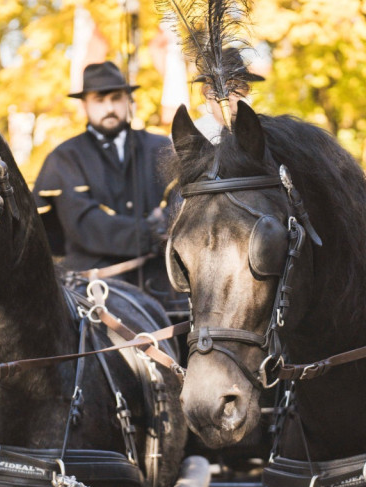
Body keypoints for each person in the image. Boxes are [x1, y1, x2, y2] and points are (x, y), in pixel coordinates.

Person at [32, 61, 176, 299]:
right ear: (85, 105)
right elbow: (84, 224)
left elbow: (184, 204)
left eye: (116, 98)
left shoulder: (161, 148)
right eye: (99, 100)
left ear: (129, 101)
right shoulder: (65, 157)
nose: (109, 107)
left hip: (163, 284)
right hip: (92, 288)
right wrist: (152, 233)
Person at [193, 47, 265, 143]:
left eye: (233, 87)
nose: (226, 96)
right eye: (216, 88)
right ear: (205, 92)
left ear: (245, 91)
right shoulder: (192, 134)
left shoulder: (262, 130)